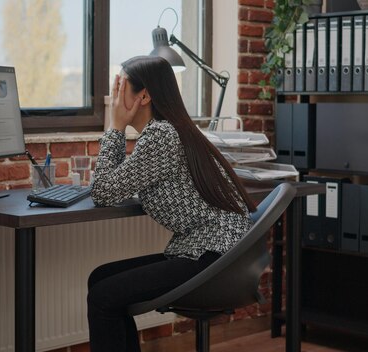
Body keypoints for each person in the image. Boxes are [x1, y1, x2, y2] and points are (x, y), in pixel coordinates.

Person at [87, 55, 257, 352]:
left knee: (104, 296)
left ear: (144, 95)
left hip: (212, 258)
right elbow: (113, 186)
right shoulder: (170, 130)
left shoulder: (161, 135)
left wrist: (115, 128)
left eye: (121, 86)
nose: (114, 97)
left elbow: (102, 191)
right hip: (214, 251)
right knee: (101, 280)